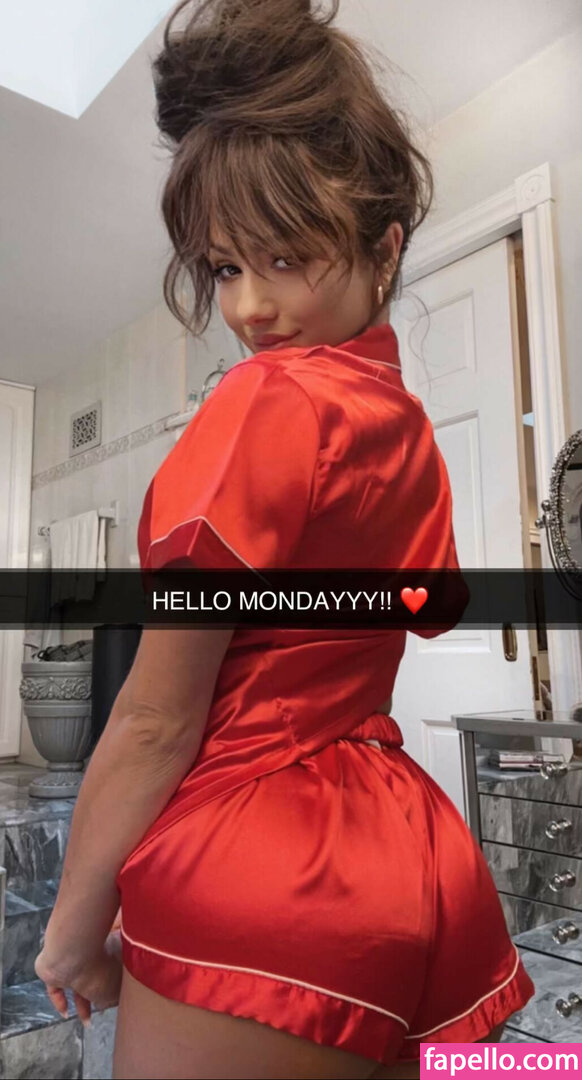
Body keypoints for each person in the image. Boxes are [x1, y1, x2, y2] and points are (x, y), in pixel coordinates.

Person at [34, 2, 535, 1077]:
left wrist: (71, 930)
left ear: (383, 247)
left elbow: (157, 720)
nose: (251, 309)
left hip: (259, 867)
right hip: (413, 856)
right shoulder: (405, 431)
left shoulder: (267, 401)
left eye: (286, 258)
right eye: (225, 268)